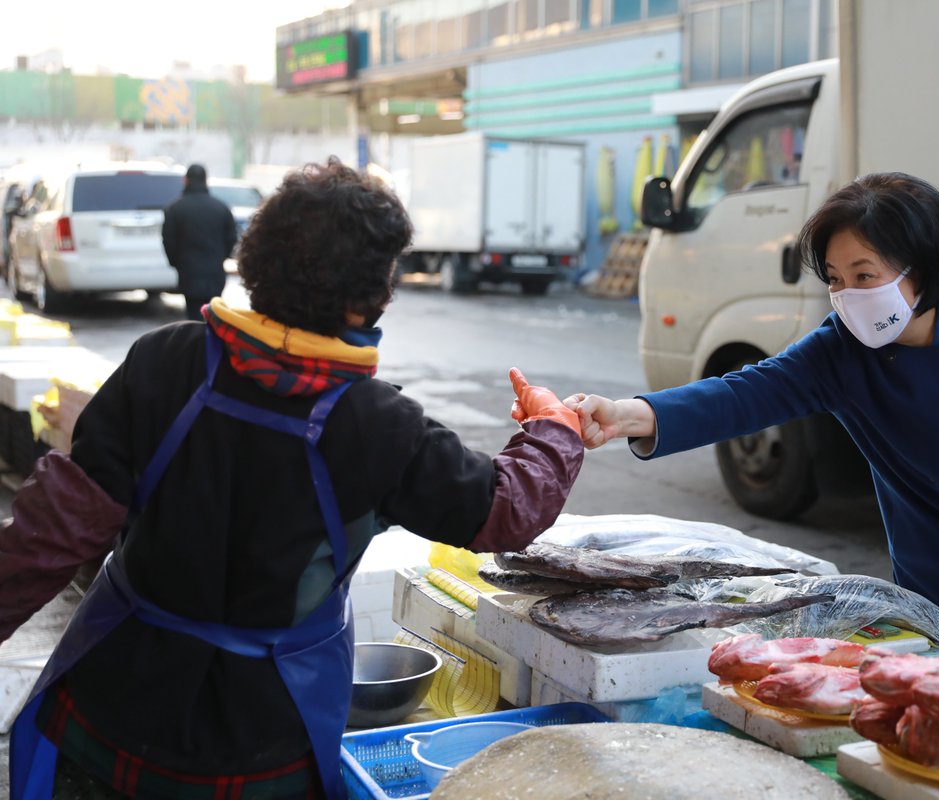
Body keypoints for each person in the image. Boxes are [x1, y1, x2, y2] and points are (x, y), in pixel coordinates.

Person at [0, 157, 584, 799]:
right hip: (260, 754)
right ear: (373, 295)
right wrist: (553, 428)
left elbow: (45, 537)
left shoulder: (165, 360)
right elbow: (508, 508)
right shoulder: (380, 426)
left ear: (254, 259)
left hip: (106, 721)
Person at [566, 172, 939, 673]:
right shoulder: (838, 352)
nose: (848, 296)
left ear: (921, 268)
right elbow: (741, 394)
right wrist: (625, 415)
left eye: (865, 275)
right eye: (835, 279)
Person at [162, 163, 238, 321]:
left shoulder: (175, 209)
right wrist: (220, 257)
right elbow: (231, 239)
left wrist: (177, 263)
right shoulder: (221, 208)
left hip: (188, 272)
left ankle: (196, 345)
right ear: (205, 180)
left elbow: (169, 241)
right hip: (214, 273)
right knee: (213, 317)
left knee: (193, 317)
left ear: (186, 181)